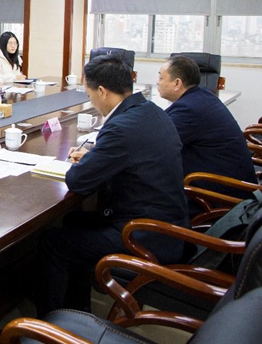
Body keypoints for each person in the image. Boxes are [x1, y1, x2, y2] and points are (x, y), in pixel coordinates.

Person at [33, 54, 188, 317]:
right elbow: (130, 155)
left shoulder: (120, 127)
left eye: (89, 94)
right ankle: (78, 307)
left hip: (144, 234)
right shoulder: (150, 111)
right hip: (169, 223)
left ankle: (48, 324)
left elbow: (78, 180)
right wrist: (98, 157)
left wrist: (92, 160)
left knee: (53, 242)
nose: (91, 101)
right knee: (73, 221)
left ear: (102, 91)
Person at [157, 55, 256, 210]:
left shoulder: (188, 109)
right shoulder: (202, 96)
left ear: (177, 83)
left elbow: (155, 143)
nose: (157, 82)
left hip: (219, 198)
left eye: (161, 78)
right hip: (232, 185)